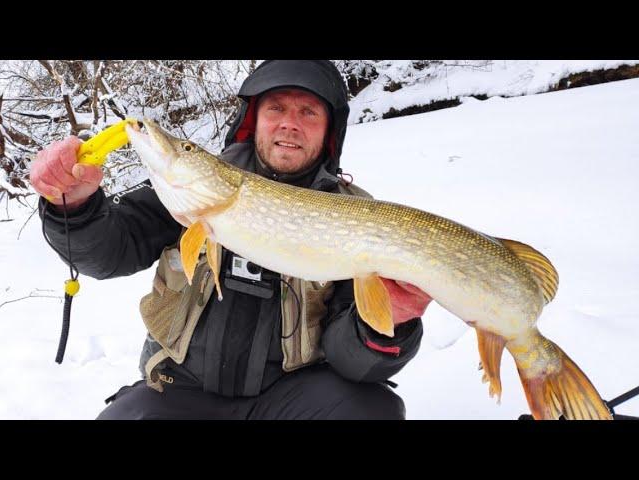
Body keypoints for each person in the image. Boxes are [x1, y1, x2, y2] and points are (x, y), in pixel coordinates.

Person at [30, 60, 432, 420]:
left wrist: (385, 327)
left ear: (329, 131)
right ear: (253, 120)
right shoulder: (191, 191)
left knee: (370, 411)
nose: (290, 123)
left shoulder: (352, 215)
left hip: (292, 396)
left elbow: (354, 365)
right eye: (276, 108)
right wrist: (76, 207)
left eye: (308, 112)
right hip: (180, 390)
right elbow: (109, 252)